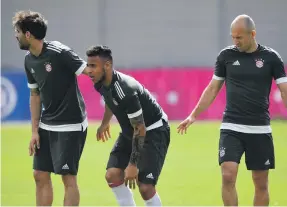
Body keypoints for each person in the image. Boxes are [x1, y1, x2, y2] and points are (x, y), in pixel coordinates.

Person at [177, 14, 287, 206]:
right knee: (228, 174)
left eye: (239, 37)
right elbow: (213, 88)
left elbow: (284, 90)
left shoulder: (271, 58)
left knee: (260, 183)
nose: (235, 41)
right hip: (231, 126)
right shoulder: (226, 56)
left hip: (260, 128)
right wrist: (193, 115)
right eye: (233, 37)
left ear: (252, 34)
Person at [13, 10, 89, 206]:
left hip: (71, 124)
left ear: (28, 34)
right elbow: (35, 95)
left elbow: (88, 71)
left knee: (67, 177)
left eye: (18, 31)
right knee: (39, 174)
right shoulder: (28, 60)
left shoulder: (59, 52)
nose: (16, 36)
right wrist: (34, 131)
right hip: (48, 123)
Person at [85, 45, 170, 206]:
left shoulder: (126, 90)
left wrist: (133, 164)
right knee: (112, 175)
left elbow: (141, 128)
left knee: (145, 187)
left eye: (93, 66)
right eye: (88, 65)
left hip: (154, 130)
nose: (89, 70)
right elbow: (110, 100)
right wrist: (105, 123)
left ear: (107, 65)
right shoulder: (100, 82)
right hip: (131, 130)